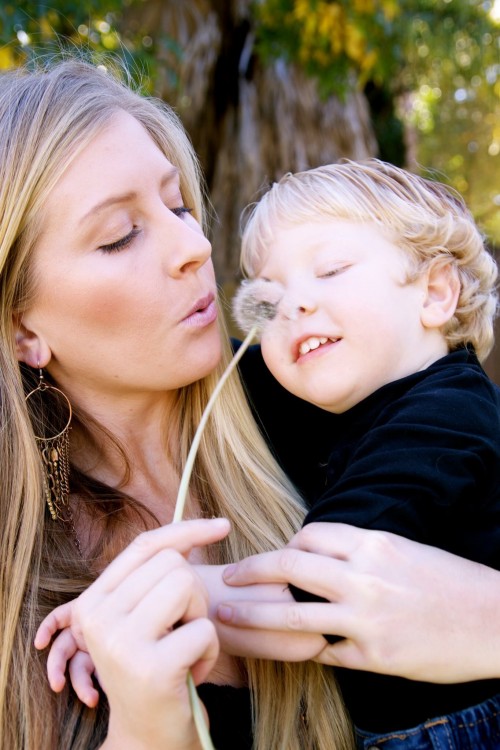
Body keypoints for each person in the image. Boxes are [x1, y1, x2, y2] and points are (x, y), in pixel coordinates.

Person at [0, 57, 354, 750]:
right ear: (23, 329)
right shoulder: (17, 576)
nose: (194, 246)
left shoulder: (326, 397)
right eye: (120, 236)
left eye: (179, 205)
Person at [223, 159, 500, 748]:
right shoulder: (369, 409)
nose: (294, 304)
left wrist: (189, 596)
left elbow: (323, 585)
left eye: (331, 270)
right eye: (266, 302)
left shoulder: (449, 414)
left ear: (434, 292)